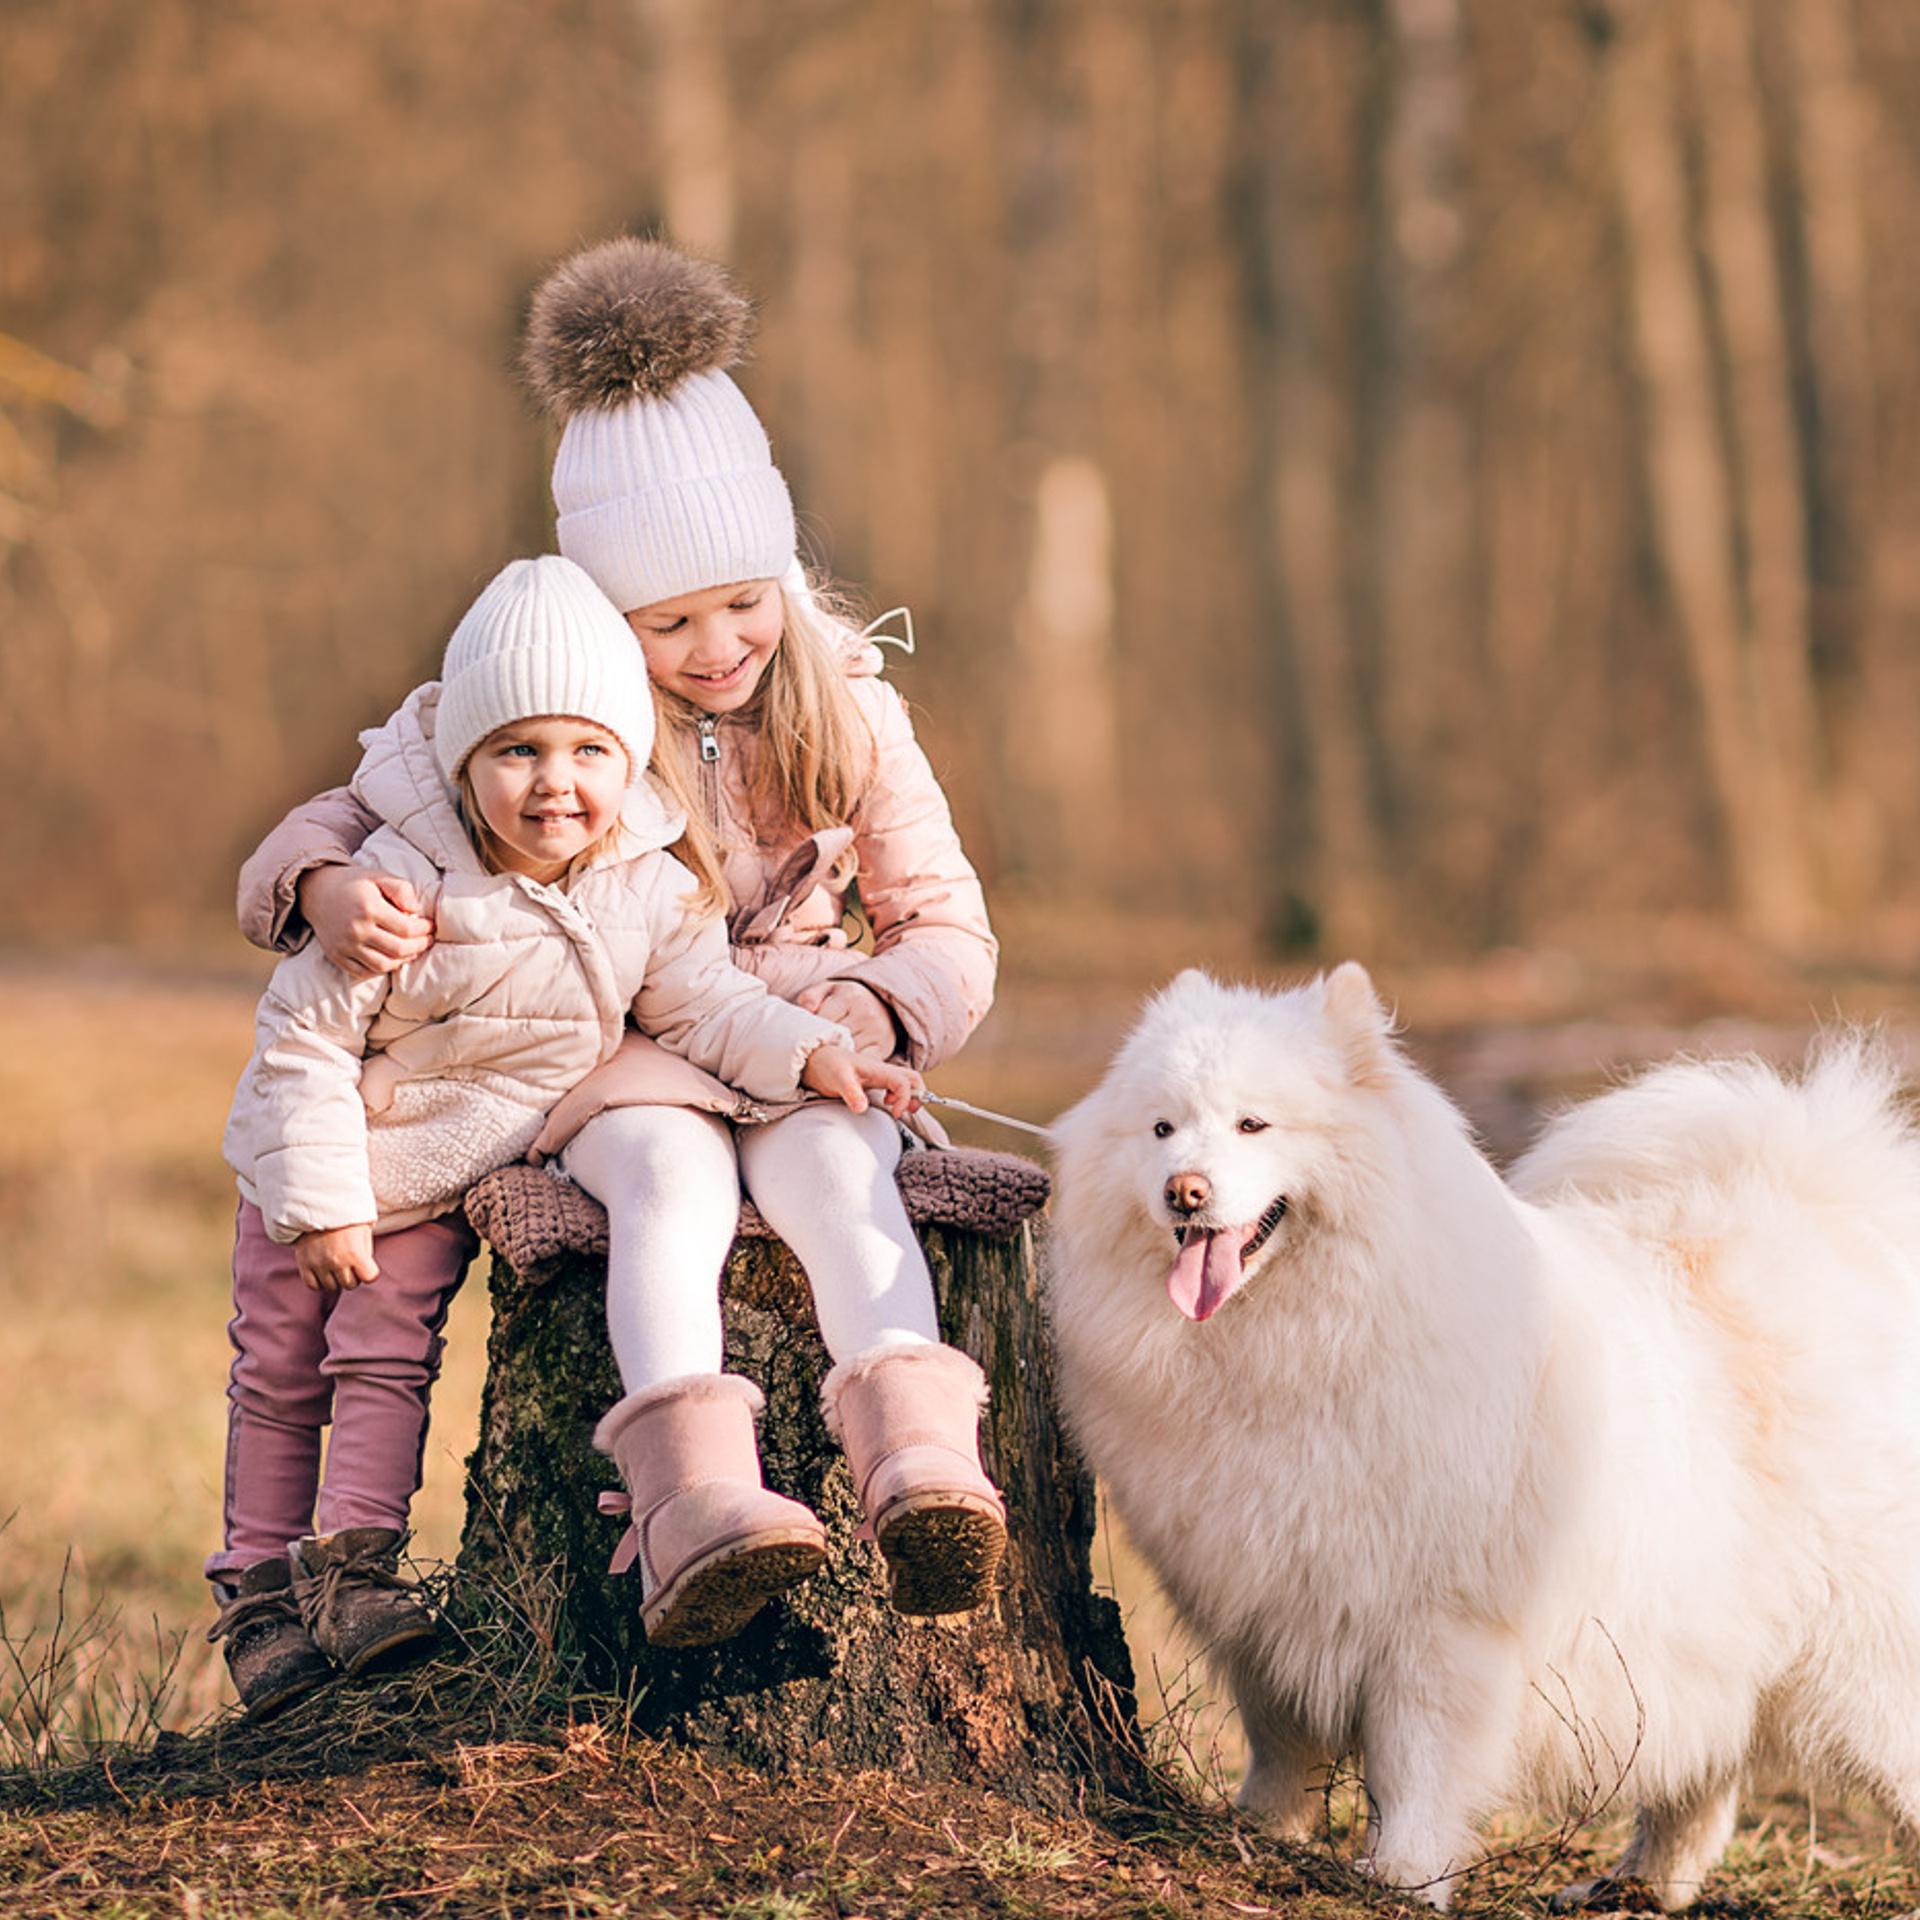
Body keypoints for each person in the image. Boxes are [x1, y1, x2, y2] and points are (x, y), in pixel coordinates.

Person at [235, 237, 1008, 1656]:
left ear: (781, 572)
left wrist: (877, 1012)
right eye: (670, 622)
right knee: (666, 1182)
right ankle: (692, 1495)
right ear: (604, 618)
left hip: (798, 1042)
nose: (719, 646)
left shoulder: (851, 708)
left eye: (744, 601)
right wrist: (321, 883)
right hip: (627, 1060)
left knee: (845, 1178)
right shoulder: (557, 696)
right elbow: (366, 803)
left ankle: (921, 1459)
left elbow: (947, 924)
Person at [212, 552, 916, 1718]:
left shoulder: (647, 883)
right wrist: (322, 1205)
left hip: (450, 1175)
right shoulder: (400, 883)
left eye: (590, 750)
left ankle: (353, 1569)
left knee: (385, 1363)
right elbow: (300, 1049)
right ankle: (256, 1592)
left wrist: (810, 1052)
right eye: (518, 752)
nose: (556, 784)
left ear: (630, 760)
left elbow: (705, 1006)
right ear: (464, 763)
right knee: (283, 1374)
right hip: (322, 1165)